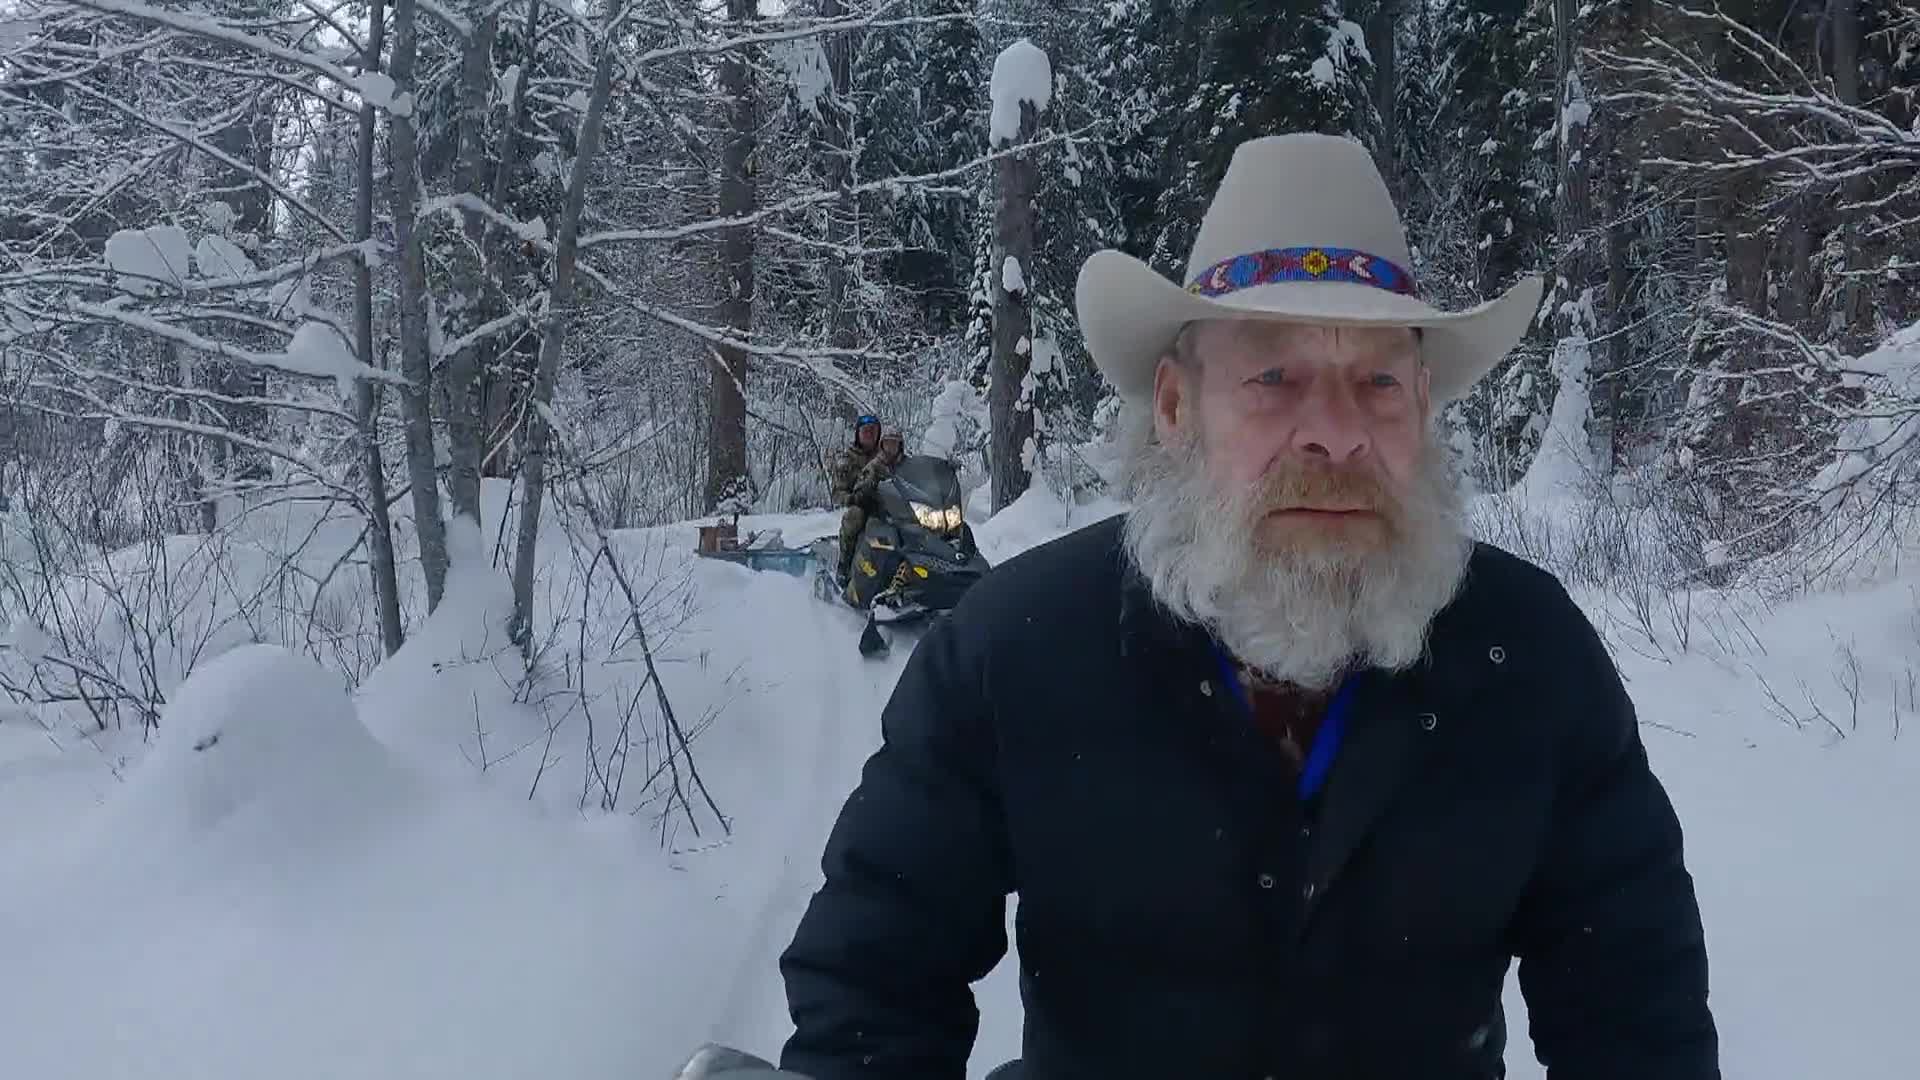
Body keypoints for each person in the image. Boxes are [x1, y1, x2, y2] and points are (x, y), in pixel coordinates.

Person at [778, 134, 1718, 1080]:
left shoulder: (1531, 656)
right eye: (1274, 378)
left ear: (1423, 403)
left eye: (1378, 382)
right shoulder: (1015, 649)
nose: (1337, 436)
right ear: (1176, 408)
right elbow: (871, 991)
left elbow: (1637, 1019)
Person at [830, 415, 883, 584]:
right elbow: (837, 493)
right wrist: (853, 499)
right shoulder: (847, 460)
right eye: (865, 431)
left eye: (873, 431)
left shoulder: (886, 456)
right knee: (853, 517)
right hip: (861, 507)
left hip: (886, 505)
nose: (869, 434)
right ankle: (844, 565)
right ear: (858, 434)